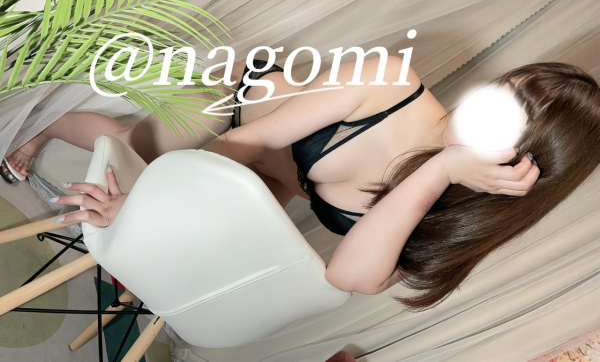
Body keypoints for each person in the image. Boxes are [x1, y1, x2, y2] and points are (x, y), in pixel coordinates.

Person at [9, 57, 600, 310]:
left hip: (273, 185)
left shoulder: (453, 220)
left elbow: (348, 276)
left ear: (524, 169)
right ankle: (42, 127)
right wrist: (145, 205)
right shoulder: (390, 83)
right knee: (129, 150)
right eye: (500, 90)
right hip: (241, 116)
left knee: (183, 232)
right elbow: (242, 145)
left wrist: (441, 169)